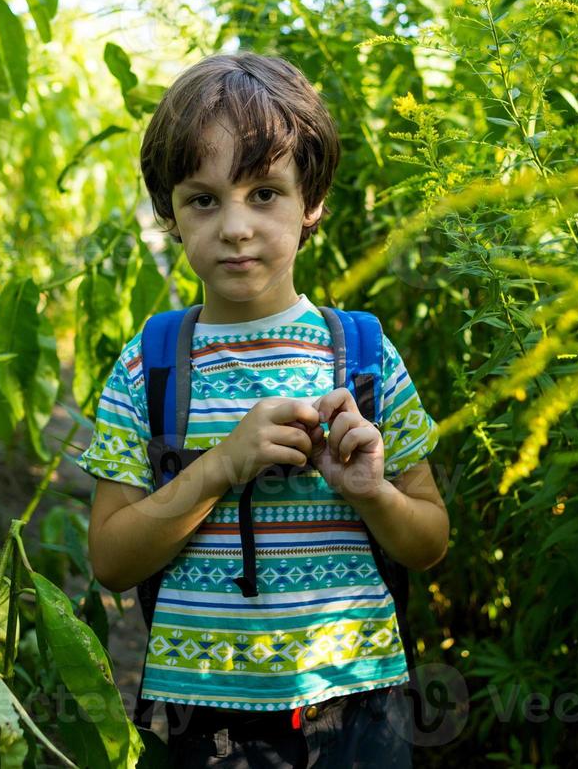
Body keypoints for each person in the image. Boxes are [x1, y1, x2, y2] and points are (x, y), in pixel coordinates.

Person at [74, 52, 450, 768]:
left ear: (312, 201)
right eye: (204, 200)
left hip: (354, 710)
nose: (236, 227)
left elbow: (429, 541)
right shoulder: (149, 364)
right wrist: (220, 466)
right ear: (170, 214)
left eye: (265, 193)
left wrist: (373, 494)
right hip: (200, 719)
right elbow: (111, 559)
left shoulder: (362, 355)